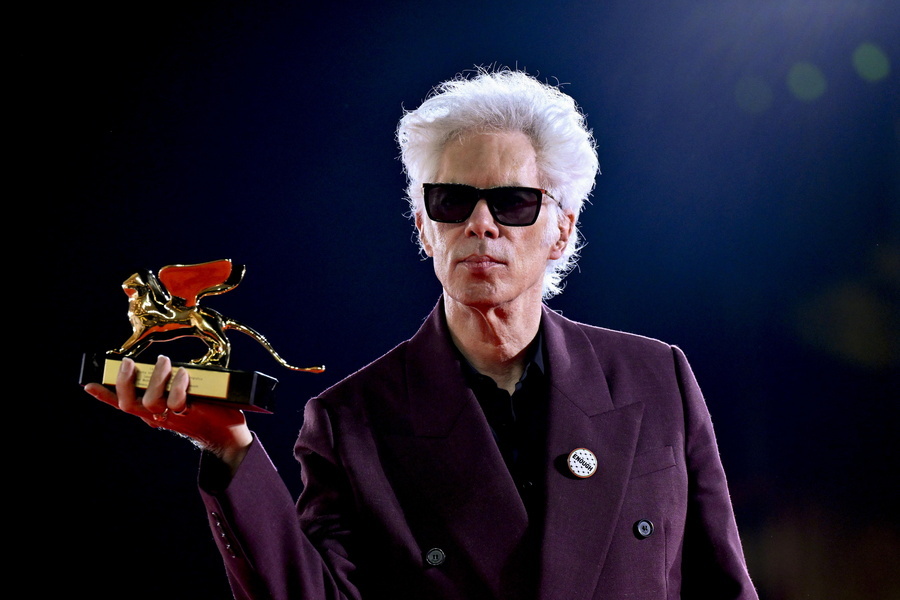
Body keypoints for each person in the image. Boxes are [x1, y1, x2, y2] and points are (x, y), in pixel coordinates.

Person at [85, 68, 758, 599]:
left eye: (514, 202)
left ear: (562, 230)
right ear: (423, 227)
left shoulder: (655, 379)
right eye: (452, 201)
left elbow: (723, 587)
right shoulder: (352, 422)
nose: (482, 225)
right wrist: (229, 446)